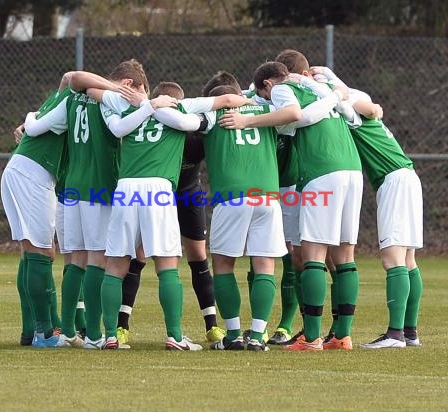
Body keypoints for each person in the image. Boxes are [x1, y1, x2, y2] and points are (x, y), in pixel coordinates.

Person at [24, 61, 177, 349]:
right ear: (130, 85)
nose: (138, 99)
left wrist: (29, 119)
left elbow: (38, 125)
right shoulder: (116, 100)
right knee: (98, 260)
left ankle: (68, 329)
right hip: (99, 187)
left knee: (75, 259)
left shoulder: (73, 99)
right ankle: (94, 335)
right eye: (141, 91)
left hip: (70, 188)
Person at [220, 55, 363, 351]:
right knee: (344, 256)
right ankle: (341, 335)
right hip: (353, 169)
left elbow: (295, 115)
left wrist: (247, 119)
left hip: (323, 170)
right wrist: (334, 91)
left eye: (265, 94)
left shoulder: (284, 89)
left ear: (269, 84)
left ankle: (311, 338)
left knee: (312, 254)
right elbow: (354, 117)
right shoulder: (318, 88)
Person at [94, 81, 247, 350]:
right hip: (158, 188)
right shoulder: (183, 107)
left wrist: (142, 102)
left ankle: (110, 335)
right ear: (176, 99)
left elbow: (90, 90)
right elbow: (225, 101)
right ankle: (175, 336)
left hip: (127, 187)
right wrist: (251, 101)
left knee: (116, 265)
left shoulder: (129, 110)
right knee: (167, 266)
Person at [311, 66, 424, 348]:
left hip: (394, 180)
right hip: (406, 176)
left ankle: (395, 334)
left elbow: (362, 105)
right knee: (408, 260)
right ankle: (409, 332)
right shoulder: (358, 113)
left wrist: (323, 80)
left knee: (392, 258)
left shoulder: (352, 114)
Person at [201, 84, 290, 351]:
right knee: (265, 265)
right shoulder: (267, 109)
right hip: (267, 195)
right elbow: (294, 114)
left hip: (232, 195)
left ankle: (233, 335)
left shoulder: (211, 114)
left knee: (224, 265)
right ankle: (258, 336)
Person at [1, 84, 71, 348]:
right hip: (32, 176)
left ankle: (32, 330)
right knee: (42, 252)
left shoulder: (57, 100)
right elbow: (71, 76)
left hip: (21, 170)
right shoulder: (72, 98)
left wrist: (28, 121)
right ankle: (45, 333)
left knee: (30, 252)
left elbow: (33, 120)